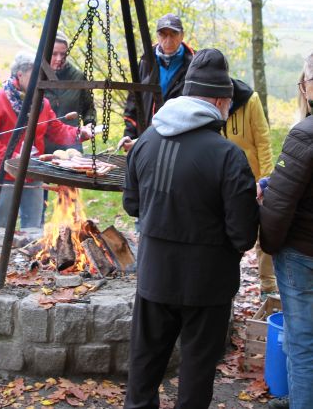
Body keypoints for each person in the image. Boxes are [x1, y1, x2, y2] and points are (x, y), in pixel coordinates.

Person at [122, 48, 259, 409]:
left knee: (144, 368)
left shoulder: (145, 142)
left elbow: (132, 205)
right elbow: (243, 235)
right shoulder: (228, 156)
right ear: (220, 100)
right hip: (207, 286)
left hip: (154, 277)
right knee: (196, 376)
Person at [0, 52, 92, 230]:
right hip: (5, 173)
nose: (39, 80)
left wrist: (79, 134)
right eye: (34, 75)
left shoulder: (42, 103)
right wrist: (13, 157)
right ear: (20, 74)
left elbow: (56, 129)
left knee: (33, 228)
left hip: (33, 172)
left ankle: (30, 257)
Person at [260, 52, 313, 409]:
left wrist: (270, 244)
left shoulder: (304, 134)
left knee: (302, 343)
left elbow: (278, 208)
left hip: (302, 255)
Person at [224, 78, 277, 300]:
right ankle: (226, 285)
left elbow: (263, 141)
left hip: (254, 179)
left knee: (263, 235)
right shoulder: (210, 103)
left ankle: (268, 286)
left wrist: (264, 179)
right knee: (228, 234)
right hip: (227, 180)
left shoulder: (251, 101)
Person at [123, 13, 194, 141]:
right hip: (145, 137)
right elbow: (133, 100)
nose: (168, 40)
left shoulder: (194, 63)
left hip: (179, 139)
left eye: (173, 34)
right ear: (157, 36)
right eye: (163, 34)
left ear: (182, 35)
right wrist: (129, 135)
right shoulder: (146, 61)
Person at [44, 30, 94, 154]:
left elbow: (89, 108)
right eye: (54, 54)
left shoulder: (78, 77)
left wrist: (90, 124)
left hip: (72, 145)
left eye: (63, 54)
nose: (59, 59)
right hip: (42, 145)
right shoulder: (35, 77)